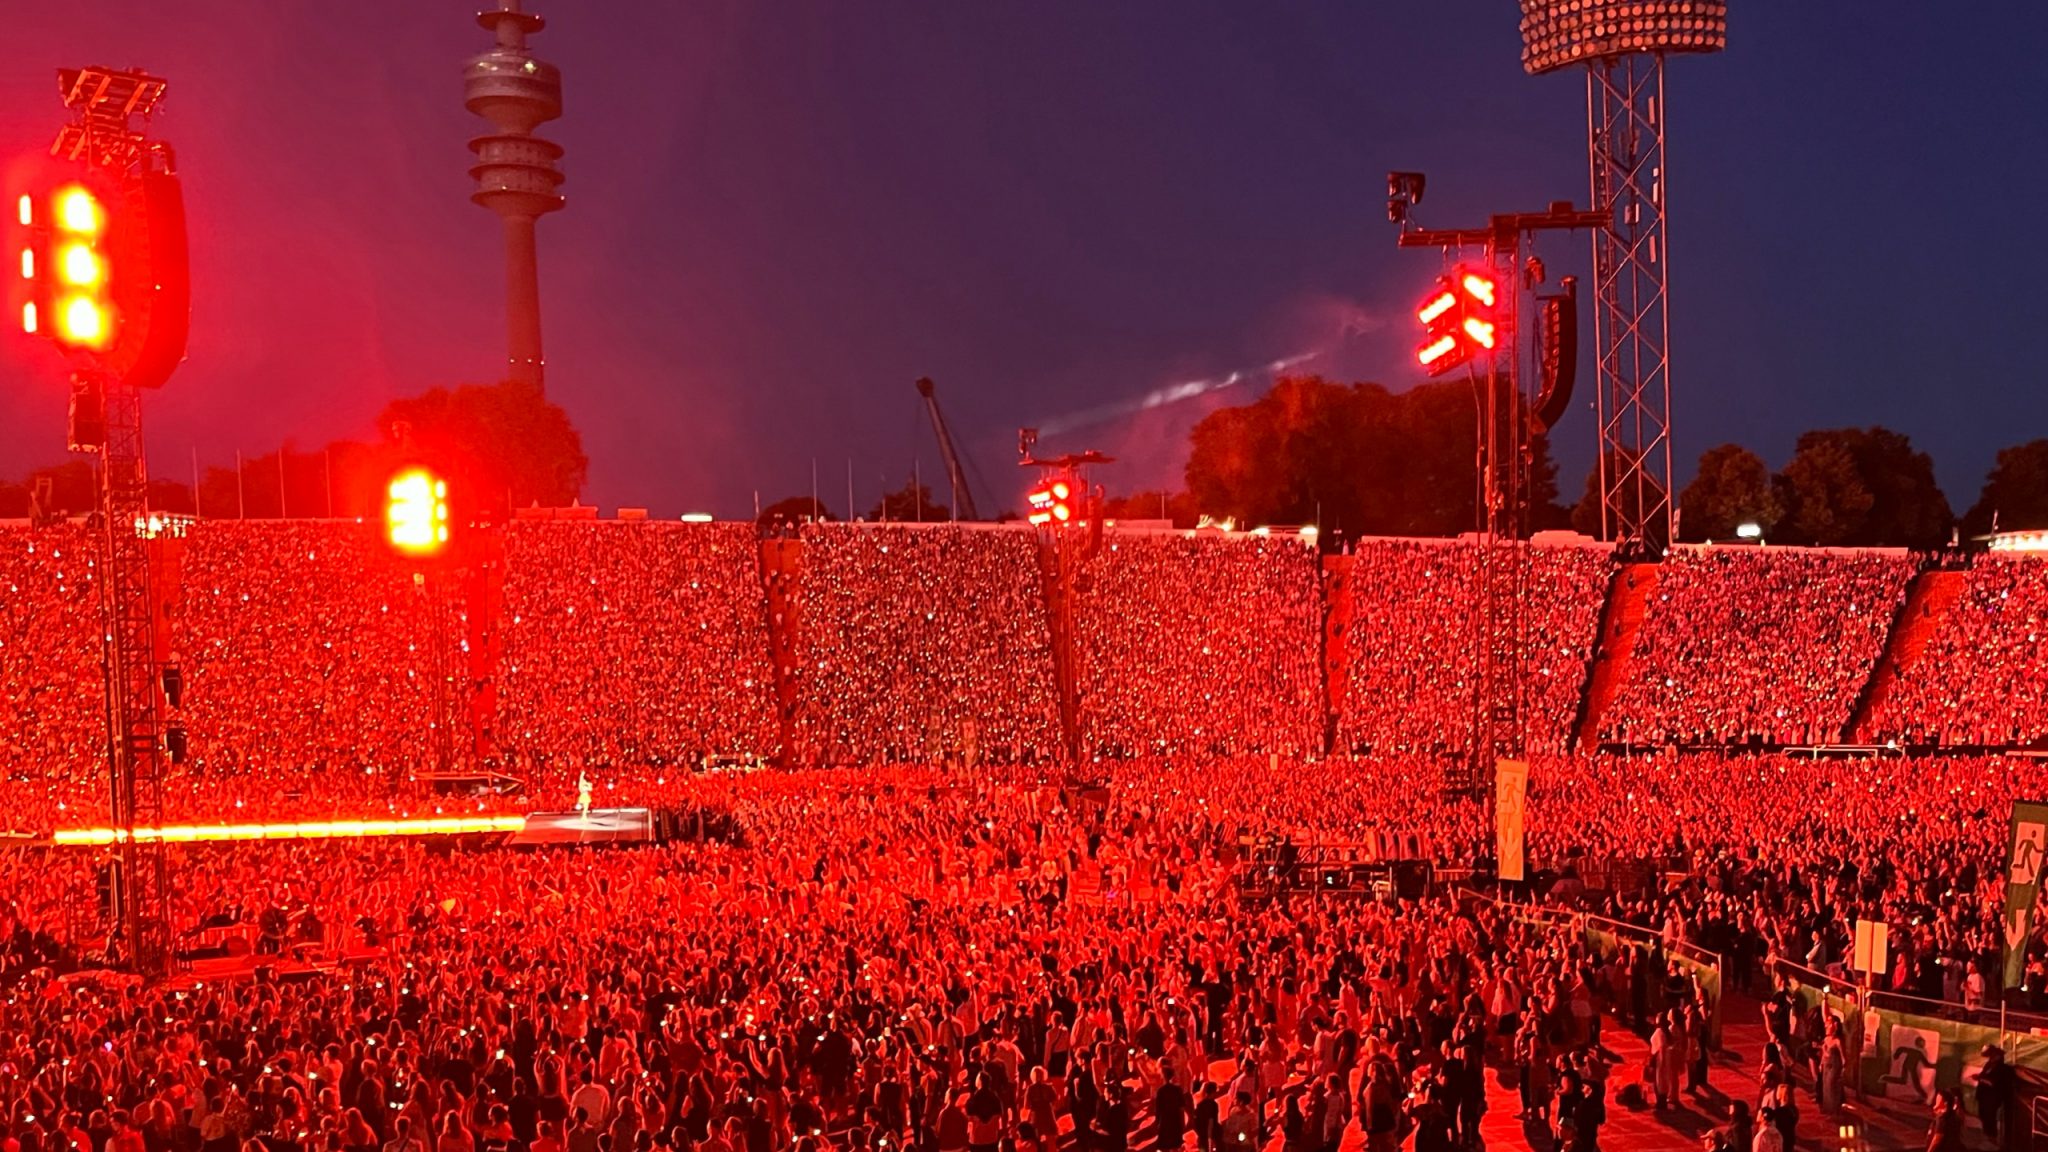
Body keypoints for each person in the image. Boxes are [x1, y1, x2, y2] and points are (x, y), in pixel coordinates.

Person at [1977, 1044, 2017, 1148]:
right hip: (1984, 1096)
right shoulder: (1988, 1065)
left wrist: (1981, 1079)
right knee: (1983, 1115)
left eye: (1993, 1055)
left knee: (1990, 1116)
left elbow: (1995, 1083)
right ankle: (1988, 1137)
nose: (1991, 1057)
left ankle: (1992, 1138)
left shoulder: (2002, 1069)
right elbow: (1983, 1076)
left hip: (1993, 1098)